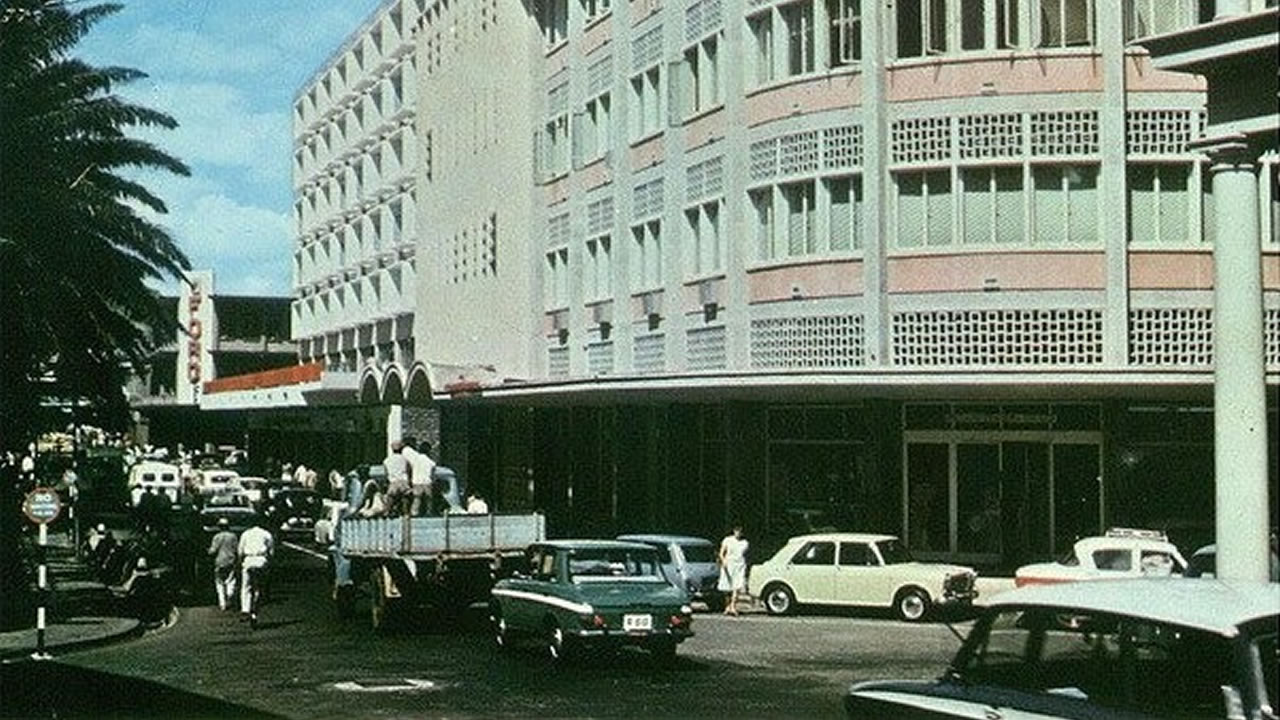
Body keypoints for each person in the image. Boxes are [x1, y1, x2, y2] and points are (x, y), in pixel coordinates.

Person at [237, 518, 274, 623]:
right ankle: (255, 611)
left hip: (248, 560)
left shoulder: (245, 534)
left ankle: (245, 610)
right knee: (259, 588)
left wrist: (239, 562)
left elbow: (240, 551)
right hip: (261, 560)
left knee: (246, 587)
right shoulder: (267, 534)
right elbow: (271, 551)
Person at [207, 517, 239, 611]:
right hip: (231, 561)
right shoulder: (233, 536)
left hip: (219, 562)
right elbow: (236, 549)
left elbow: (213, 551)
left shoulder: (216, 537)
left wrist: (208, 551)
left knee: (219, 583)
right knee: (230, 580)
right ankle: (230, 595)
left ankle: (222, 604)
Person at [718, 524, 750, 616]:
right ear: (734, 531)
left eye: (740, 531)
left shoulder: (745, 543)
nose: (738, 533)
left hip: (739, 566)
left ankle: (733, 606)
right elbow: (722, 552)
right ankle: (727, 606)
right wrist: (723, 560)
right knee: (727, 587)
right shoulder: (727, 540)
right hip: (728, 565)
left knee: (737, 586)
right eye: (737, 531)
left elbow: (744, 555)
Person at [402, 437, 436, 517]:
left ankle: (414, 512)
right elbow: (432, 473)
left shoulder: (416, 459)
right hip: (427, 482)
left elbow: (409, 467)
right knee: (429, 500)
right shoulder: (431, 462)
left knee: (417, 499)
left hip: (416, 482)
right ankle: (429, 513)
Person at [383, 440, 411, 516]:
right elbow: (408, 471)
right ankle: (406, 514)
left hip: (393, 482)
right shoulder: (405, 459)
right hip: (403, 481)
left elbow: (386, 473)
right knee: (405, 499)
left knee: (390, 499)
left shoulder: (387, 461)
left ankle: (388, 512)